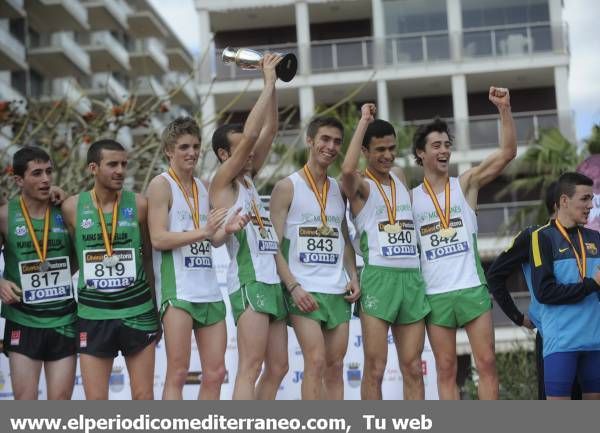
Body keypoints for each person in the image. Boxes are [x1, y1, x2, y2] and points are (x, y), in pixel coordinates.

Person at [411, 87, 516, 399]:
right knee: (445, 369)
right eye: (436, 145)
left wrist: (504, 109)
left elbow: (507, 153)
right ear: (421, 153)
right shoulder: (410, 198)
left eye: (447, 145)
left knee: (486, 363)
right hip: (435, 293)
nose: (444, 150)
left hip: (471, 287)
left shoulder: (466, 183)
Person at [146, 117, 249, 400]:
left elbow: (213, 240)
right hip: (178, 291)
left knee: (215, 373)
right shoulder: (160, 185)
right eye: (183, 147)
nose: (191, 152)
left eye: (195, 146)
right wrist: (202, 231)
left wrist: (226, 231)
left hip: (209, 291)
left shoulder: (204, 187)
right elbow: (158, 238)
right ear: (169, 150)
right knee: (178, 373)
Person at [209, 53, 288, 400]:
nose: (250, 151)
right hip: (248, 279)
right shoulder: (223, 180)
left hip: (271, 279)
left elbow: (268, 130)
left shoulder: (249, 180)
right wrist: (268, 80)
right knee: (250, 365)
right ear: (225, 155)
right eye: (241, 148)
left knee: (280, 367)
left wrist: (271, 86)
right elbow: (254, 131)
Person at [340, 104, 429, 400]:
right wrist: (364, 121)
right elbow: (346, 170)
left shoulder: (401, 177)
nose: (388, 155)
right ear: (366, 150)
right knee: (376, 368)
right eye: (379, 149)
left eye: (392, 148)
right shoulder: (360, 186)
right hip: (378, 278)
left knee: (414, 367)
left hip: (411, 278)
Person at [270, 116, 361, 400]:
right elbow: (271, 245)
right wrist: (293, 287)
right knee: (316, 361)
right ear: (310, 140)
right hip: (304, 290)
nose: (330, 146)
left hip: (336, 290)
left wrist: (353, 275)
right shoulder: (287, 187)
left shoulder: (338, 190)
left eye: (336, 142)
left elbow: (343, 237)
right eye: (324, 139)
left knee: (335, 367)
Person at [62, 139, 159, 400]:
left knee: (143, 396)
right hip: (93, 315)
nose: (120, 170)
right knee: (96, 401)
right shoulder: (71, 207)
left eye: (124, 164)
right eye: (112, 164)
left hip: (137, 311)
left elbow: (149, 258)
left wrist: (153, 304)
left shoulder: (139, 204)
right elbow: (69, 257)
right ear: (93, 168)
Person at [0, 146, 77, 400]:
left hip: (63, 318)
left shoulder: (65, 210)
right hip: (23, 319)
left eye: (48, 172)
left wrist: (63, 273)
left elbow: (83, 253)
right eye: (36, 173)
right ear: (19, 180)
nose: (45, 179)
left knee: (60, 403)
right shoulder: (4, 216)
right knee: (26, 403)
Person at [530, 172, 600, 400]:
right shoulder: (542, 237)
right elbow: (545, 292)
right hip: (561, 344)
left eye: (592, 199)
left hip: (595, 342)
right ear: (564, 201)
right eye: (585, 199)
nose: (591, 205)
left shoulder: (596, 238)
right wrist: (592, 285)